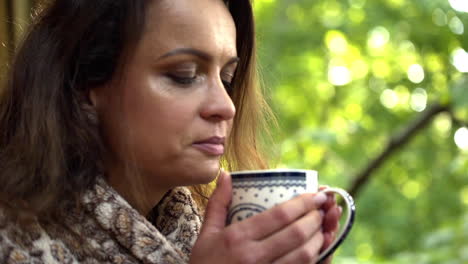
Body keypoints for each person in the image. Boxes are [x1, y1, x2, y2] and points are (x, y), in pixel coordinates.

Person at [0, 0, 343, 263]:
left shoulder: (200, 235)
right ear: (86, 84)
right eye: (184, 74)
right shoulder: (13, 239)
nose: (226, 107)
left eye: (227, 79)